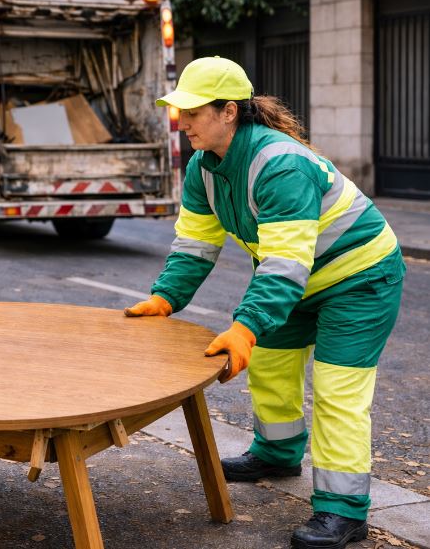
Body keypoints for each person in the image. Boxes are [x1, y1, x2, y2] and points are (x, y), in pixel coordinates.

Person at [124, 57, 404, 549]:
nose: (181, 121)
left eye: (191, 111)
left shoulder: (279, 163)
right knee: (271, 366)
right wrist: (164, 299)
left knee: (338, 391)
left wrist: (247, 325)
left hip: (359, 278)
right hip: (299, 279)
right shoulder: (204, 167)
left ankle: (344, 512)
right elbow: (195, 244)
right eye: (178, 110)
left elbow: (284, 261)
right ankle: (276, 455)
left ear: (228, 112)